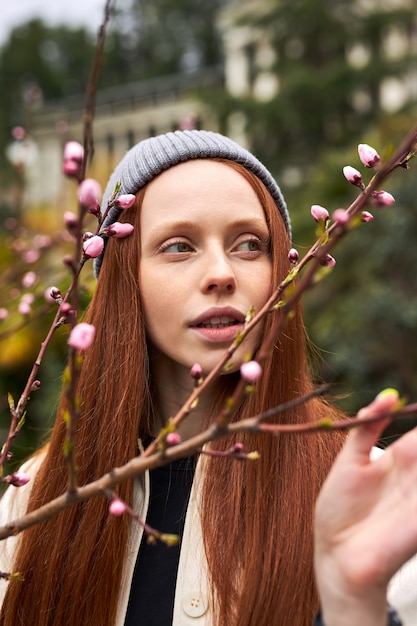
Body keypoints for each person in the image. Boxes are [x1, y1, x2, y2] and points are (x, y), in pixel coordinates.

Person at [0, 129, 416, 626]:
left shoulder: (365, 496)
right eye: (179, 247)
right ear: (124, 281)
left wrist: (353, 603)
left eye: (248, 245)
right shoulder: (37, 496)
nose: (221, 273)